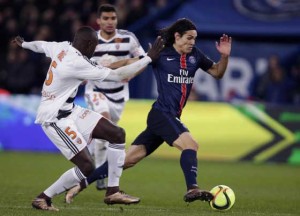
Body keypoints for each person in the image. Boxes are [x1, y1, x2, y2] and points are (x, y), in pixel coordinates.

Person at [66, 18, 232, 204]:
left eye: (194, 38)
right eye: (189, 38)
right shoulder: (161, 54)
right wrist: (98, 68)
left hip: (168, 118)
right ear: (177, 36)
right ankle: (192, 188)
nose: (192, 42)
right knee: (191, 145)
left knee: (125, 161)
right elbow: (129, 61)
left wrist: (224, 57)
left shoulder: (195, 55)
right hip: (161, 114)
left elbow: (217, 73)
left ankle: (79, 185)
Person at [12, 26, 163, 211]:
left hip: (70, 110)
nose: (95, 50)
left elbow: (41, 45)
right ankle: (43, 198)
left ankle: (112, 191)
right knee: (87, 166)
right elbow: (117, 76)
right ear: (89, 44)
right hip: (55, 118)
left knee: (117, 134)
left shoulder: (63, 47)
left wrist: (25, 44)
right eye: (95, 45)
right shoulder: (78, 62)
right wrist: (149, 58)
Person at [84, 4, 146, 190]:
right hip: (96, 90)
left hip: (119, 95)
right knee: (105, 120)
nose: (110, 22)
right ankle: (100, 177)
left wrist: (131, 72)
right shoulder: (90, 40)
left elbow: (144, 59)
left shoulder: (128, 38)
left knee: (108, 136)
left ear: (117, 20)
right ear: (98, 21)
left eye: (113, 18)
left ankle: (95, 157)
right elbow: (78, 62)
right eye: (106, 19)